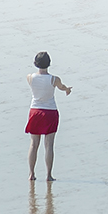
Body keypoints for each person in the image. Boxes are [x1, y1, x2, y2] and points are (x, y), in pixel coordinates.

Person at [25, 51, 72, 181]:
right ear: (49, 63)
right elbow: (61, 87)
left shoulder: (30, 77)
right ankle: (49, 175)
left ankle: (31, 174)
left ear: (35, 63)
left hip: (35, 111)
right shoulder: (54, 79)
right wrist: (67, 89)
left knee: (34, 144)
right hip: (50, 112)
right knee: (49, 145)